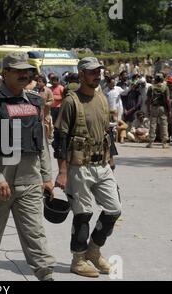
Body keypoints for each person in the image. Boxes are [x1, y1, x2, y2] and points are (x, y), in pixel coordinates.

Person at [0, 52, 55, 281]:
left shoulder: (35, 101)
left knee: (36, 235)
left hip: (29, 181)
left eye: (26, 71)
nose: (23, 75)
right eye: (17, 71)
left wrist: (47, 176)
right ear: (5, 73)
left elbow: (42, 144)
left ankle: (46, 275)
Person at [54, 57, 122, 278]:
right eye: (92, 72)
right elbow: (60, 139)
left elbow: (107, 133)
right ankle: (78, 259)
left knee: (113, 209)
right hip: (78, 166)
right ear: (81, 74)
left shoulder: (102, 97)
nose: (97, 75)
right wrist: (62, 172)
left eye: (98, 72)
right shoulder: (70, 101)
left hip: (101, 164)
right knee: (83, 214)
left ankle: (94, 250)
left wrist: (111, 160)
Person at [146, 73, 171, 148]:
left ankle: (150, 142)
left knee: (153, 124)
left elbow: (148, 100)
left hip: (154, 107)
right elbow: (167, 100)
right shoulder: (165, 87)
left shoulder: (151, 87)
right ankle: (164, 143)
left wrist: (148, 109)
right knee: (164, 125)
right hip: (162, 108)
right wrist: (169, 110)